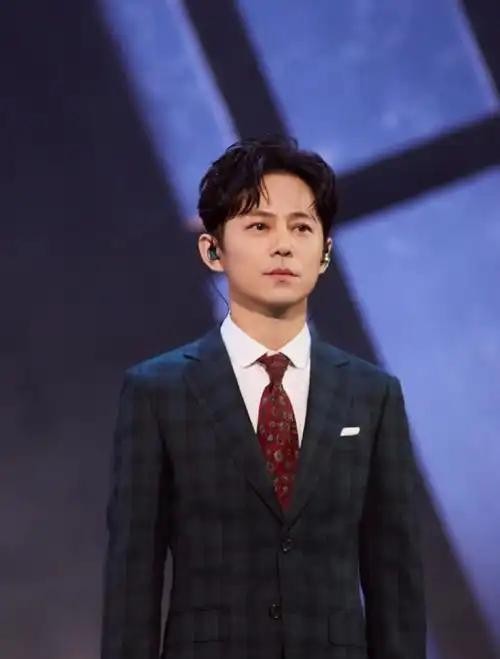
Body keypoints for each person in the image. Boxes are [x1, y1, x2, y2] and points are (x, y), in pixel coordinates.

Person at [100, 136, 426, 659]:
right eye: (259, 226)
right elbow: (132, 582)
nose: (283, 245)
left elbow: (396, 584)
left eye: (301, 227)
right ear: (213, 250)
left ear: (325, 253)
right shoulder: (157, 392)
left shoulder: (372, 395)